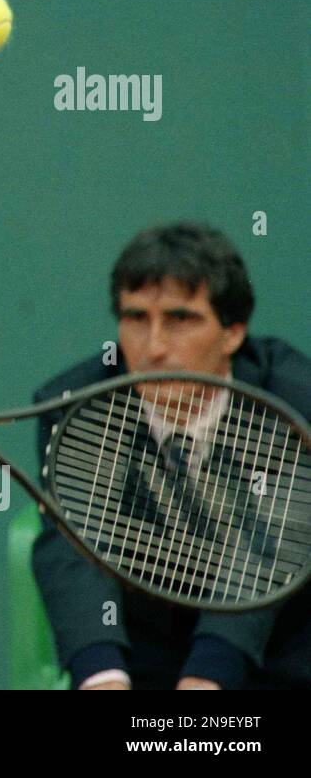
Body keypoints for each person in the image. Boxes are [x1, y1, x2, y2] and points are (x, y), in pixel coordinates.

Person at [31, 222, 311, 690]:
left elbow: (266, 545)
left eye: (180, 319)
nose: (154, 348)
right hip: (146, 663)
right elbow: (74, 546)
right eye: (136, 318)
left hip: (280, 660)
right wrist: (101, 676)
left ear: (233, 332)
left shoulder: (295, 402)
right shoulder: (76, 405)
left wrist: (208, 677)